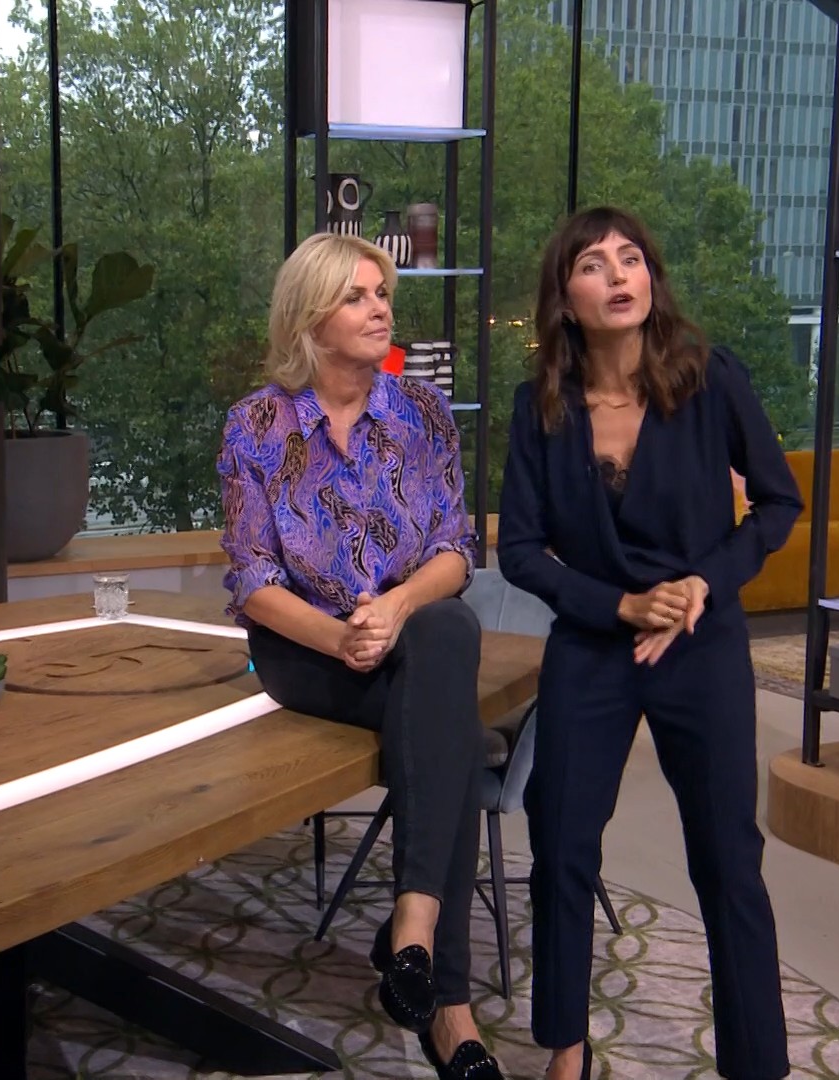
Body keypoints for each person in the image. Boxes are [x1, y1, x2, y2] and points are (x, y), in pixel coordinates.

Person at [497, 207, 801, 1080]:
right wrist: (621, 605)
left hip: (702, 644)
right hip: (596, 643)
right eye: (594, 265)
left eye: (630, 259)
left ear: (651, 279)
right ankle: (566, 1051)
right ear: (567, 298)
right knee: (561, 845)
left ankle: (757, 1066)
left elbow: (777, 503)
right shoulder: (539, 407)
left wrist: (704, 583)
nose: (618, 276)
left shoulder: (710, 379)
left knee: (727, 859)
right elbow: (520, 549)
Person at [217, 232, 505, 1080]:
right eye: (357, 296)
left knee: (447, 633)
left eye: (382, 293)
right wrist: (341, 635)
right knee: (451, 731)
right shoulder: (256, 425)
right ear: (310, 317)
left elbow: (455, 550)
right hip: (303, 650)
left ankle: (417, 937)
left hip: (406, 636)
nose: (380, 309)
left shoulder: (422, 413)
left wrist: (395, 606)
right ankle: (445, 1000)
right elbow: (253, 579)